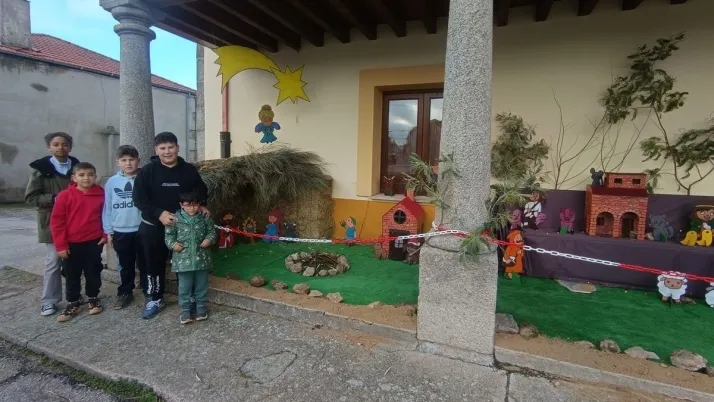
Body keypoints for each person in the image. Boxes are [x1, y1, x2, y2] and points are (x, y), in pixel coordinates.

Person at [133, 132, 209, 320]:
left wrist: (202, 204)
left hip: (184, 228)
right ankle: (154, 298)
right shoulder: (147, 171)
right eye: (162, 148)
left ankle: (190, 298)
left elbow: (201, 190)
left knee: (188, 263)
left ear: (177, 148)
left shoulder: (189, 170)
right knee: (152, 263)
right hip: (153, 226)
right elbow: (139, 199)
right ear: (156, 150)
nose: (167, 152)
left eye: (170, 147)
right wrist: (159, 213)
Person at [25, 132, 80, 316]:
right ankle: (49, 300)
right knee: (54, 261)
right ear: (49, 147)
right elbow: (31, 197)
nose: (60, 148)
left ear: (70, 147)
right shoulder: (41, 170)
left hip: (76, 220)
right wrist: (56, 198)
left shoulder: (77, 167)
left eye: (64, 144)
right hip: (51, 221)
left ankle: (74, 295)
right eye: (56, 144)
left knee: (74, 261)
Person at [50, 162, 107, 322]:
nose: (86, 178)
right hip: (72, 243)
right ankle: (73, 302)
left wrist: (105, 234)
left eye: (90, 175)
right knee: (71, 273)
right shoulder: (64, 196)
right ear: (74, 178)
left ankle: (93, 298)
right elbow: (57, 222)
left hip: (94, 241)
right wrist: (61, 245)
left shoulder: (101, 194)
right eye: (81, 175)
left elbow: (106, 215)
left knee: (93, 271)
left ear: (95, 177)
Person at [103, 145, 147, 310]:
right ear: (118, 162)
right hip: (121, 231)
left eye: (131, 159)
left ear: (138, 160)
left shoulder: (144, 178)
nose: (128, 163)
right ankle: (125, 292)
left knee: (146, 262)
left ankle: (148, 289)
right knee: (125, 264)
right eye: (124, 160)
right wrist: (109, 231)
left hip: (142, 229)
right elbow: (107, 207)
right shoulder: (112, 182)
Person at [165, 191, 217, 324]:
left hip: (202, 259)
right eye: (188, 205)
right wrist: (173, 245)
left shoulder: (204, 217)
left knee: (201, 285)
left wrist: (209, 239)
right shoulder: (174, 219)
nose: (192, 208)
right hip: (183, 261)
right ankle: (185, 310)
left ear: (199, 204)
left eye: (195, 205)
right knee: (184, 287)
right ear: (181, 205)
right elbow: (169, 236)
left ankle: (201, 307)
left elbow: (212, 232)